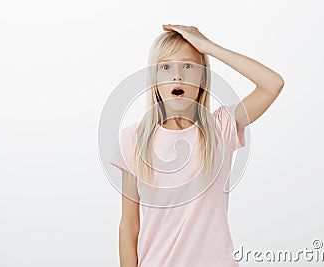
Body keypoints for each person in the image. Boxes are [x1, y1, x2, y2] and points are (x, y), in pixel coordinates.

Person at [110, 24, 284, 267]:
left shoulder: (221, 128)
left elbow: (272, 84)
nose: (177, 76)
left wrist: (209, 47)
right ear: (155, 78)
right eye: (166, 66)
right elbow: (129, 227)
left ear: (202, 77)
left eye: (188, 66)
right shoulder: (134, 138)